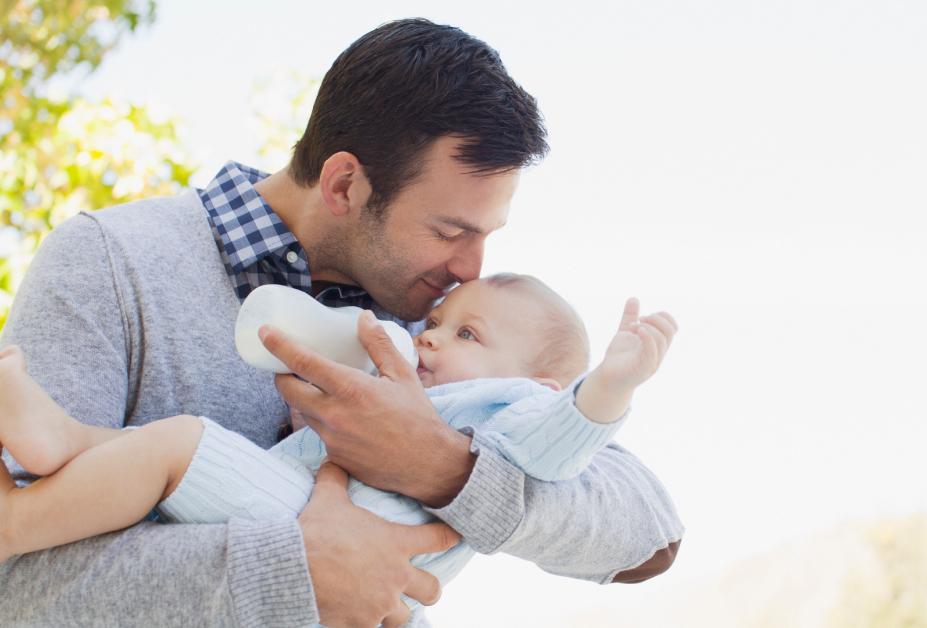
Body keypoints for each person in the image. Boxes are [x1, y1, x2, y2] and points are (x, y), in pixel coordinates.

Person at [0, 18, 682, 628]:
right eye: (450, 230)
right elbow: (12, 590)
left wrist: (443, 468)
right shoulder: (112, 263)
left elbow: (646, 537)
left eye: (485, 234)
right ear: (344, 185)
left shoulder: (439, 329)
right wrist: (289, 573)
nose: (473, 267)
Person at [0, 274, 678, 618]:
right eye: (438, 322)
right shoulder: (109, 263)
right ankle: (63, 440)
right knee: (151, 454)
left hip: (352, 541)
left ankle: (15, 519)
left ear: (541, 386)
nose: (431, 336)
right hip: (295, 518)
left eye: (467, 335)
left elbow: (574, 457)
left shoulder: (507, 408)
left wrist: (606, 389)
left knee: (181, 443)